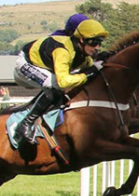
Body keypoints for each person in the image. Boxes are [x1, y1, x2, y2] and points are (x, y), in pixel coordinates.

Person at [13, 19, 108, 148]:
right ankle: (26, 123)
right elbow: (63, 82)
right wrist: (89, 73)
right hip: (25, 64)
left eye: (99, 43)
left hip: (43, 67)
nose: (96, 47)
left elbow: (92, 68)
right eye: (93, 43)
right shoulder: (63, 51)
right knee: (56, 85)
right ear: (81, 40)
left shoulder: (82, 55)